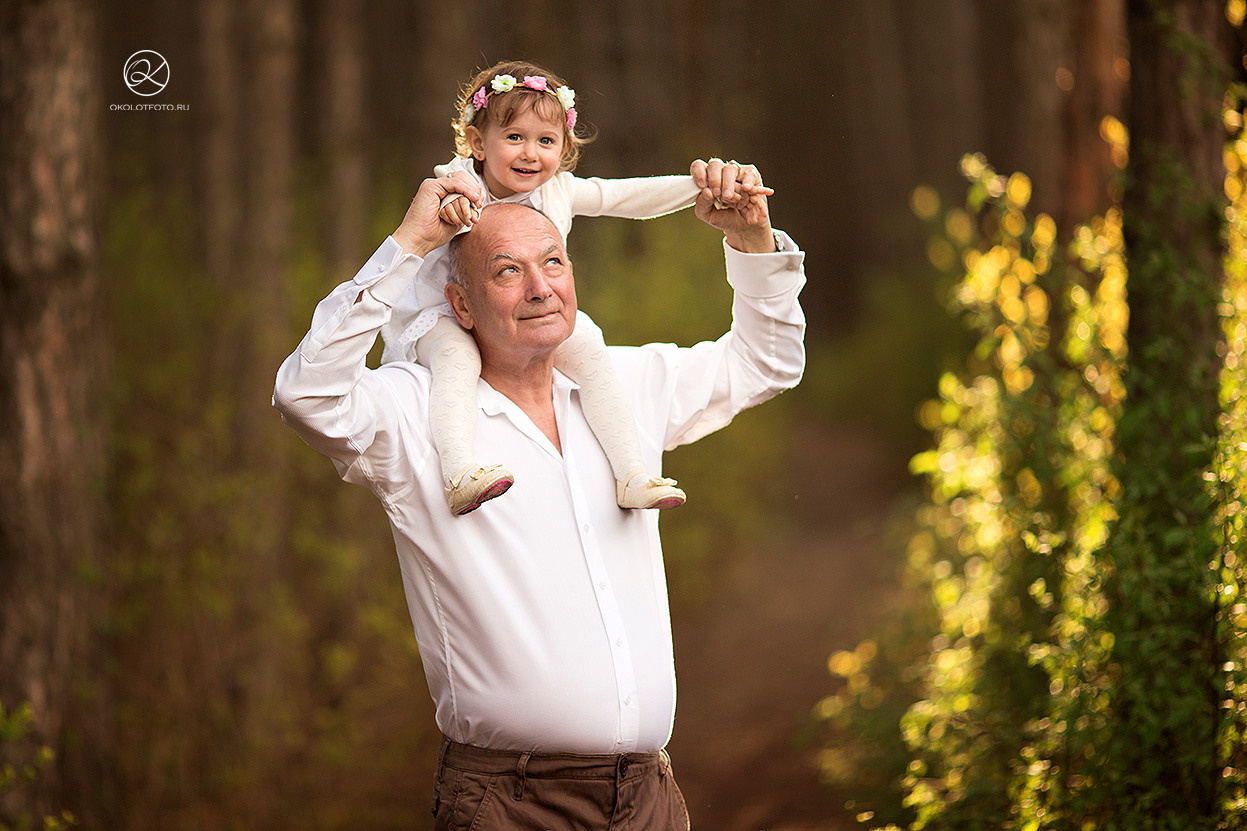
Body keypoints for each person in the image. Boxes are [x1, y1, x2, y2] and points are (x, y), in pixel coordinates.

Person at [272, 157, 806, 828]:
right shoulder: (412, 412)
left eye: (552, 263)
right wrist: (408, 244)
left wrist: (751, 241)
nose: (539, 289)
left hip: (647, 798)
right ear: (459, 304)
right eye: (506, 271)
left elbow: (767, 362)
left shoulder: (623, 386)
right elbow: (304, 394)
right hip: (509, 803)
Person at [381, 59, 731, 516]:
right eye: (514, 138)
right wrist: (451, 210)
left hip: (525, 311)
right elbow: (445, 207)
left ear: (563, 148)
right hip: (445, 313)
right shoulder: (461, 183)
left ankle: (632, 473)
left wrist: (700, 189)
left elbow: (624, 198)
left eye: (546, 141)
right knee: (456, 360)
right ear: (476, 143)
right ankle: (460, 471)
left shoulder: (557, 191)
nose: (530, 153)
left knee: (591, 354)